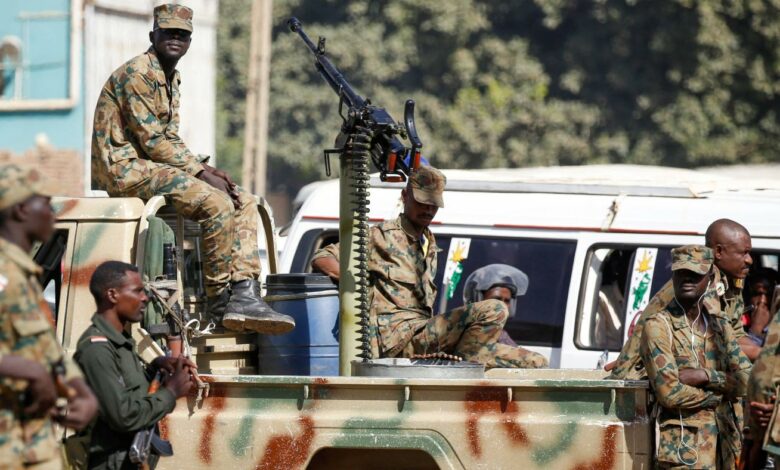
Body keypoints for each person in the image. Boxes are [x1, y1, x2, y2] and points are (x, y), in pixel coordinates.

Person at [90, 4, 293, 335]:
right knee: (214, 202)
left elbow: (169, 136)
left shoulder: (170, 77)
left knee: (242, 198)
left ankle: (244, 291)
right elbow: (154, 141)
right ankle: (220, 301)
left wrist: (202, 168)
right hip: (124, 169)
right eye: (168, 32)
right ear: (152, 35)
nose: (175, 39)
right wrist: (201, 173)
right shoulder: (139, 73)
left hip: (150, 166)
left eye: (182, 35)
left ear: (189, 40)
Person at [311, 165, 547, 368]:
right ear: (405, 196)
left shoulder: (429, 243)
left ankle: (468, 361)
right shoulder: (381, 236)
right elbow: (323, 256)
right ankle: (466, 363)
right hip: (398, 341)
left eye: (433, 205)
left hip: (426, 335)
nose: (428, 210)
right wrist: (350, 283)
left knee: (536, 362)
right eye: (422, 202)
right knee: (494, 309)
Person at [0, 163, 98, 468]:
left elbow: (46, 349)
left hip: (30, 442)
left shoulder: (25, 276)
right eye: (44, 202)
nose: (52, 212)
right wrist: (31, 372)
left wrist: (81, 392)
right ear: (20, 210)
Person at [75, 261, 195, 469]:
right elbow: (123, 416)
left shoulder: (120, 342)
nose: (145, 298)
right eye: (137, 291)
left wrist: (156, 369)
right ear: (112, 295)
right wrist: (171, 391)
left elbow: (128, 390)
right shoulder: (97, 349)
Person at [641, 245, 750, 469]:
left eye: (695, 274)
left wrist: (705, 376)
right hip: (685, 454)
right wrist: (718, 397)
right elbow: (669, 393)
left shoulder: (720, 326)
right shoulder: (659, 326)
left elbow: (748, 380)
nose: (687, 279)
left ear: (710, 278)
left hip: (726, 449)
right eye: (681, 273)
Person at [608, 218, 756, 380]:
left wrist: (763, 351)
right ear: (718, 252)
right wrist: (766, 354)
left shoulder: (731, 282)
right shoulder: (702, 281)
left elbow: (735, 334)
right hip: (654, 374)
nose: (749, 260)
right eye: (743, 253)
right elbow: (719, 341)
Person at [461, 263, 529, 347]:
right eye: (497, 299)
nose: (503, 306)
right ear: (478, 300)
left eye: (507, 301)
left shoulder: (503, 337)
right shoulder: (457, 333)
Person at [742, 268, 777, 347]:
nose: (762, 301)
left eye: (769, 295)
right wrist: (756, 331)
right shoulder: (738, 324)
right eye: (756, 294)